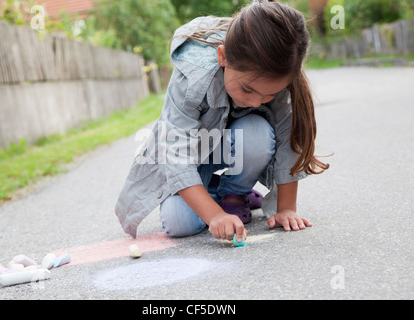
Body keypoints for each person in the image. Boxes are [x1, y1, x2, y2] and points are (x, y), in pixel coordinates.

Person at [115, 0, 329, 242]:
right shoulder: (192, 77)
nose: (257, 103)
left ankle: (235, 193)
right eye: (248, 89)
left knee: (257, 133)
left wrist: (287, 208)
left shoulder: (279, 76)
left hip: (238, 144)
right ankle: (215, 191)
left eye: (267, 95)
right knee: (179, 223)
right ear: (223, 57)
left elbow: (287, 137)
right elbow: (176, 156)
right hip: (190, 154)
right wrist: (215, 215)